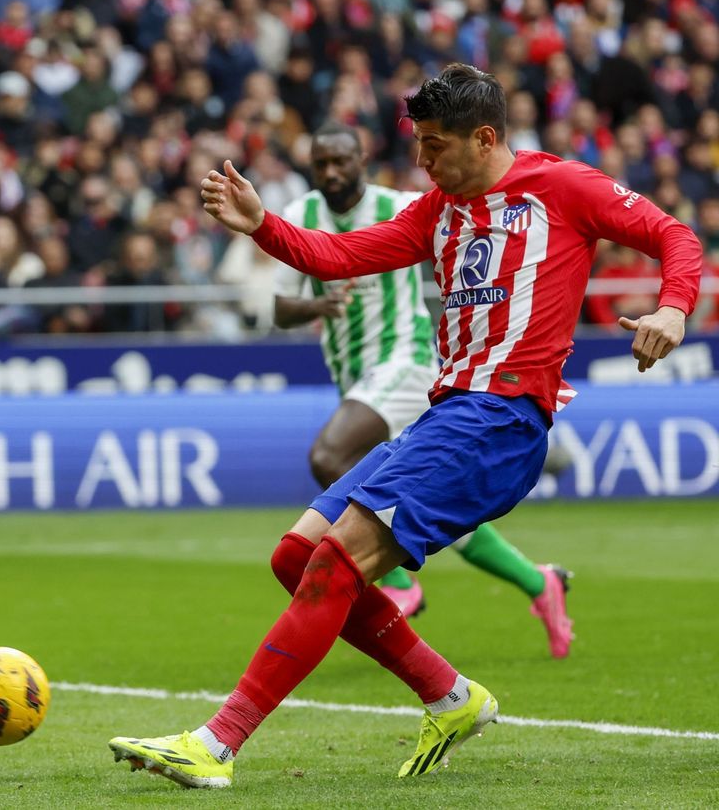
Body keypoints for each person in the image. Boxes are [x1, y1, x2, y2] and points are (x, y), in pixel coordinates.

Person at [109, 64, 701, 789]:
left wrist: (673, 307)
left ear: (484, 139)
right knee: (296, 558)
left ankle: (216, 744)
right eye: (418, 143)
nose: (420, 160)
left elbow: (674, 234)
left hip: (499, 419)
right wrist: (262, 225)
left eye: (434, 145)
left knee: (334, 565)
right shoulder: (437, 211)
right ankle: (450, 696)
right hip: (446, 415)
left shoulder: (562, 188)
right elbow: (339, 255)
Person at [272, 121, 574, 658]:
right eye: (321, 164)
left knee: (329, 457)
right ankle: (539, 581)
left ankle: (397, 584)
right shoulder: (302, 214)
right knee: (426, 505)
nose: (332, 172)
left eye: (341, 161)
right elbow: (279, 309)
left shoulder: (401, 206)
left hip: (404, 364)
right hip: (355, 378)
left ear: (362, 159)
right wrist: (317, 305)